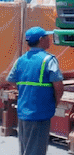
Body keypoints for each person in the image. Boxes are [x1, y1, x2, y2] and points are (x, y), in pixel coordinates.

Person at [6, 27, 64, 155]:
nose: (49, 40)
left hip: (23, 111)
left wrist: (25, 90)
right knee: (36, 151)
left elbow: (11, 79)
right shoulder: (48, 60)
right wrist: (55, 103)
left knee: (26, 148)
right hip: (40, 113)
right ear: (41, 40)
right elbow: (58, 86)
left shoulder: (20, 60)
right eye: (47, 37)